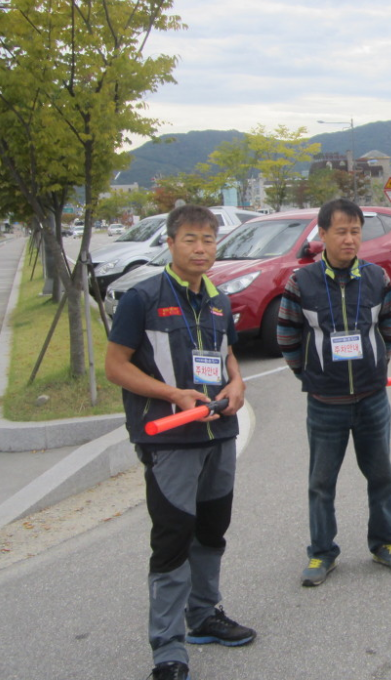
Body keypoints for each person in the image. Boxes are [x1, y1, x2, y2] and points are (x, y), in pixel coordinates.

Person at [105, 205, 254, 680]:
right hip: (170, 441)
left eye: (208, 240)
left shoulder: (219, 299)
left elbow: (227, 352)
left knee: (212, 533)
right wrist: (171, 394)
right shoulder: (142, 297)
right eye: (190, 239)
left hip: (219, 435)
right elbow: (116, 366)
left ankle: (204, 615)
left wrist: (237, 384)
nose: (200, 249)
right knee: (172, 541)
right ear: (170, 243)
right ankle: (167, 647)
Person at [277, 198, 391, 587]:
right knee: (321, 483)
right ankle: (322, 552)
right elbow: (287, 336)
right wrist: (312, 375)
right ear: (322, 235)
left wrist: (376, 366)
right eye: (341, 231)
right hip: (325, 404)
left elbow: (390, 327)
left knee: (381, 475)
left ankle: (384, 542)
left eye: (356, 231)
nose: (350, 239)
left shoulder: (376, 278)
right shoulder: (301, 282)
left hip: (372, 399)